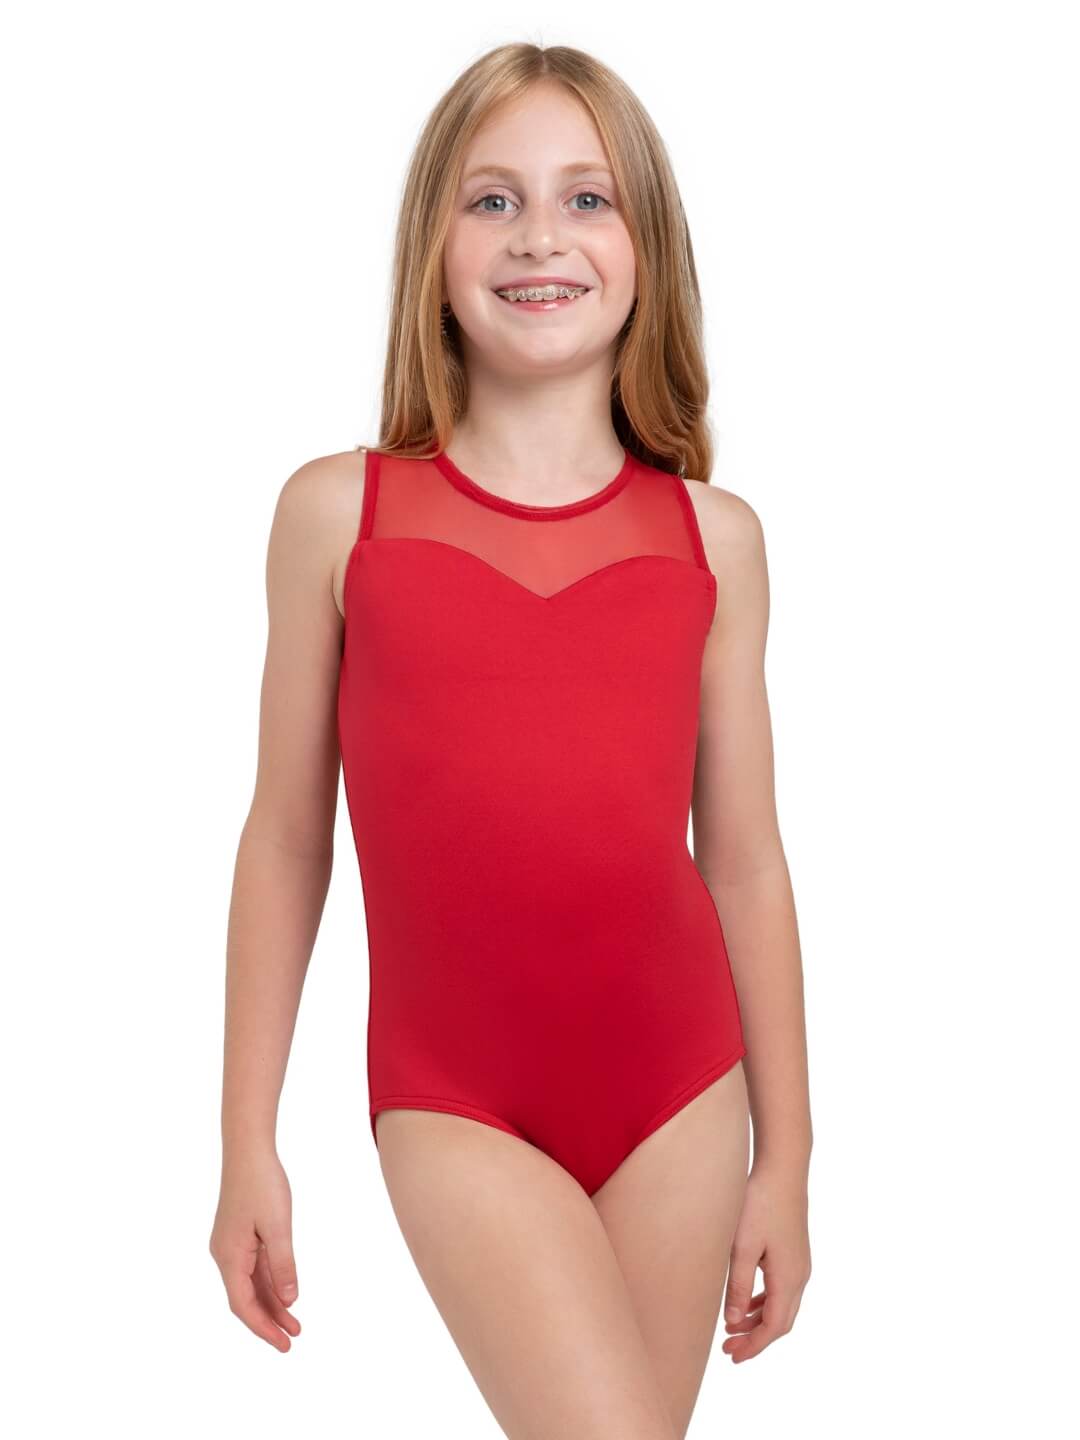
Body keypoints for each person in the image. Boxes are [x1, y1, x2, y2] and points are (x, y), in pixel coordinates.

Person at [210, 42, 812, 1439]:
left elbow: (746, 861)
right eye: (493, 200)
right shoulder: (337, 517)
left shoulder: (714, 541)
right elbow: (286, 839)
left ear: (648, 249)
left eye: (587, 199)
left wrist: (787, 1154)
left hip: (681, 1089)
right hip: (456, 1099)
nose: (541, 235)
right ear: (433, 251)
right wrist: (247, 1140)